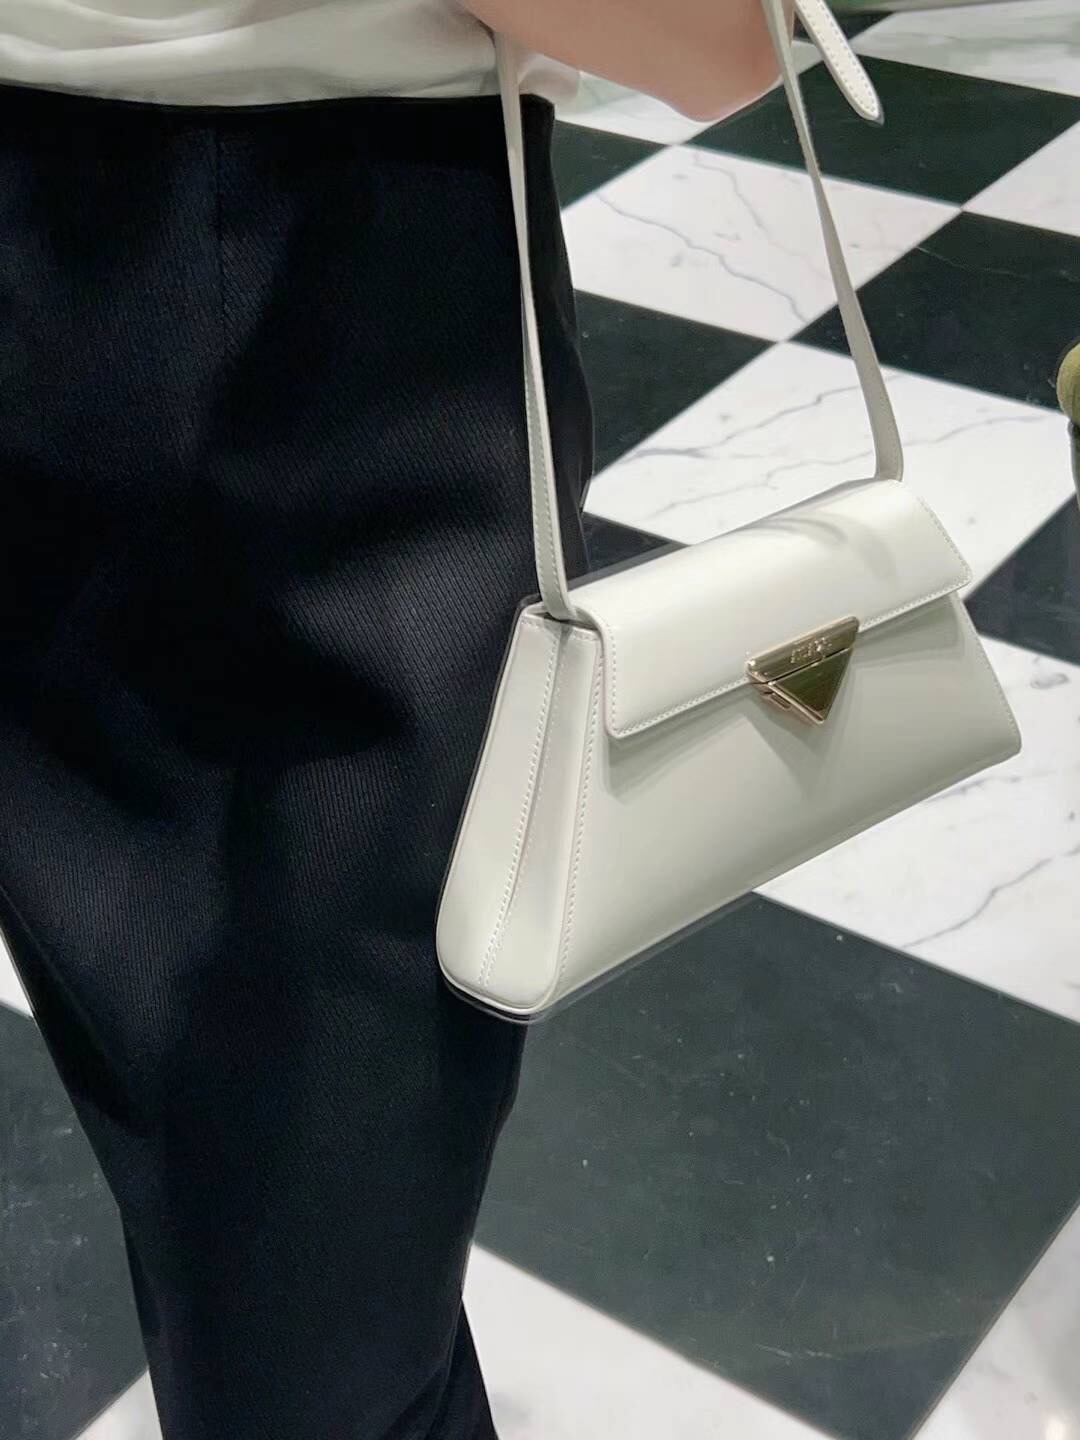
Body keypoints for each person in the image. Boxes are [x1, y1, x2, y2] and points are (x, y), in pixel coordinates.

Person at [0, 3, 784, 1436]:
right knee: (301, 1302)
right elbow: (718, 41)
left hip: (276, 324)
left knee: (289, 1260)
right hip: (286, 313)